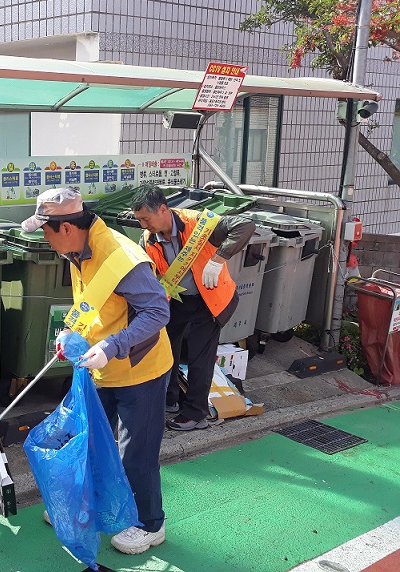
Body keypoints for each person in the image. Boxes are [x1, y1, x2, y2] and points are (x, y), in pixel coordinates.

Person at [22, 187, 173, 556]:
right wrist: (73, 334)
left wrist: (111, 346)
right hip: (99, 365)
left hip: (141, 370)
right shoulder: (78, 249)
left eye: (45, 229)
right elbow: (94, 303)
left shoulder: (121, 256)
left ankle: (150, 524)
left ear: (67, 227)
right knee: (90, 441)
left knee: (136, 451)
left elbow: (157, 313)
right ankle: (88, 506)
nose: (43, 236)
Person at [131, 185, 254, 431]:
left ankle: (195, 413)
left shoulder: (199, 224)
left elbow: (245, 225)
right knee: (166, 349)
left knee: (200, 356)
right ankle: (170, 398)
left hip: (210, 300)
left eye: (146, 218)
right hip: (175, 299)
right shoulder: (148, 239)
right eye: (139, 220)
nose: (144, 225)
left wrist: (218, 259)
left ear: (163, 209)